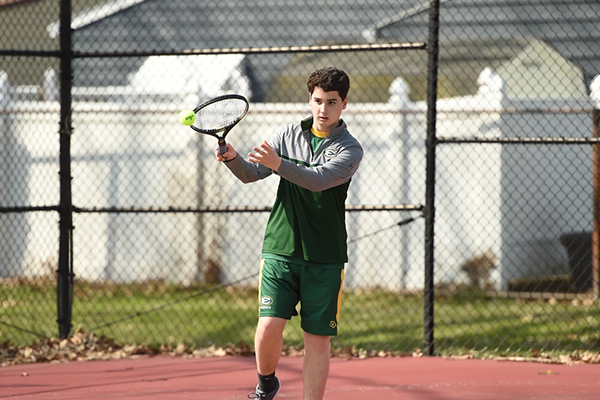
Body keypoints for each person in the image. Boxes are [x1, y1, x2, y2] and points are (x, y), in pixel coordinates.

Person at [215, 67, 363, 400]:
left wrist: (280, 164)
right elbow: (251, 173)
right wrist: (232, 158)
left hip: (324, 256)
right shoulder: (287, 134)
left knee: (317, 340)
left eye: (331, 102)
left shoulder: (351, 150)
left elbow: (320, 180)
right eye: (317, 101)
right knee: (268, 325)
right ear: (310, 99)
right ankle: (266, 384)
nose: (323, 109)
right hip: (280, 248)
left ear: (344, 104)